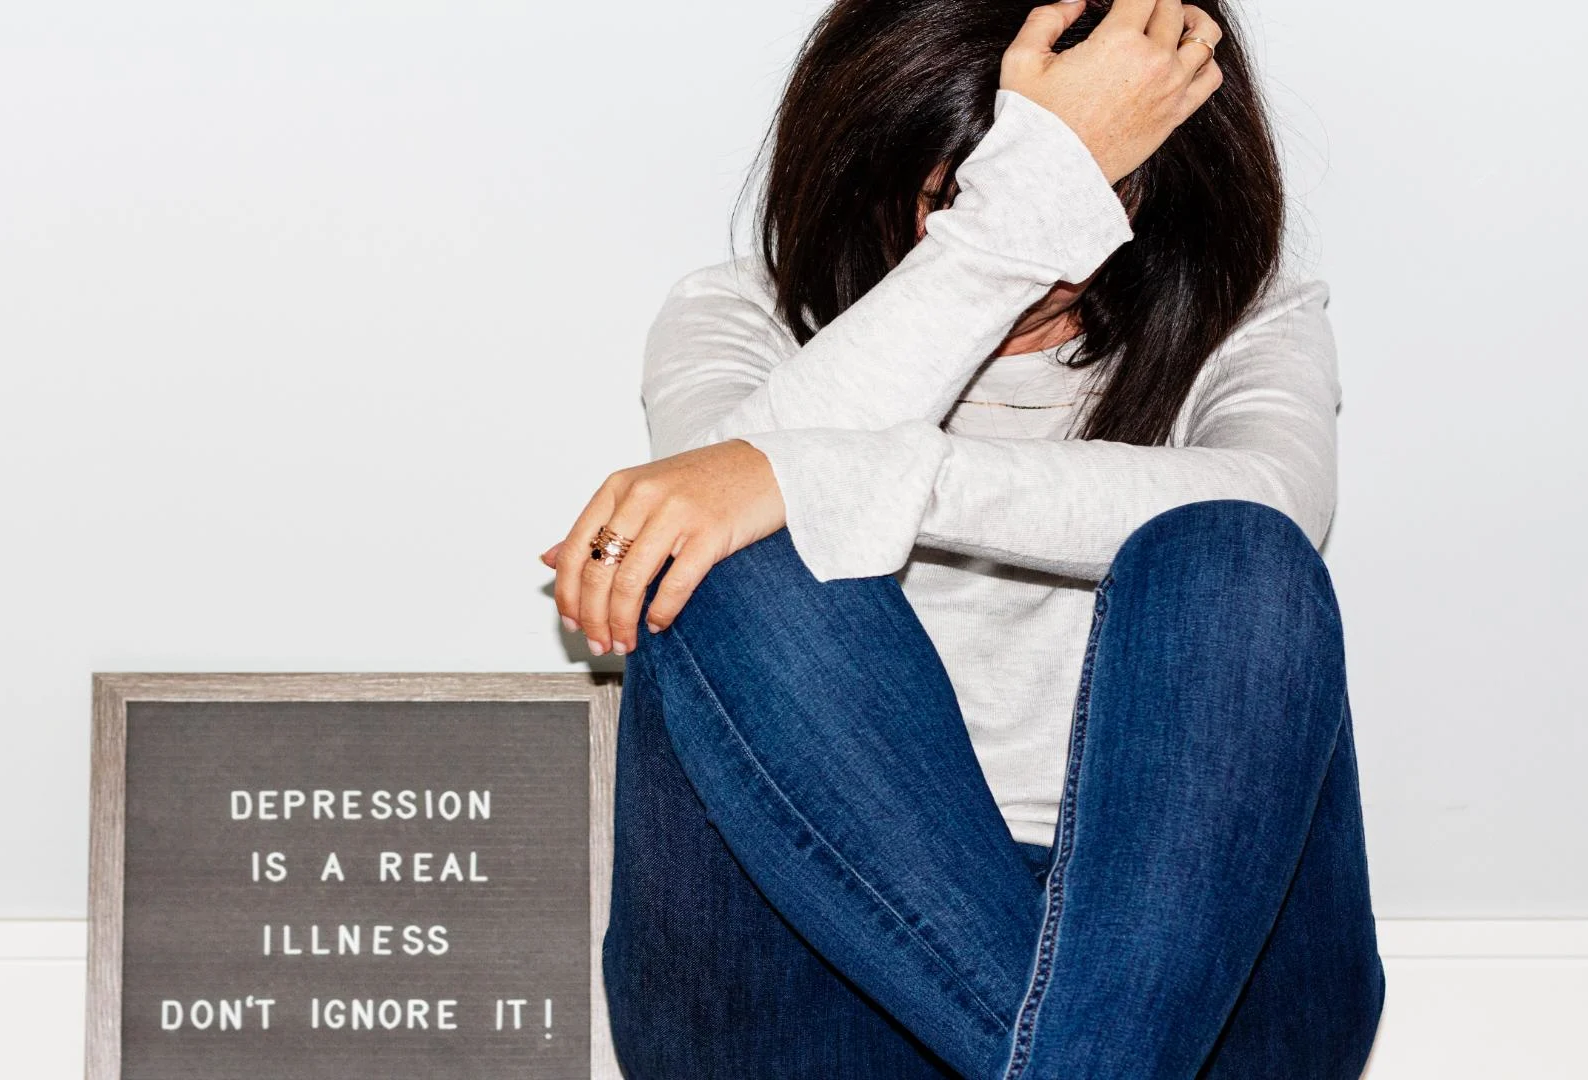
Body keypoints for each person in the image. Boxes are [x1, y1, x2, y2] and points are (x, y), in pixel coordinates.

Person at [539, 0, 1385, 1075]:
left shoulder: (1251, 322)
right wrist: (1021, 211)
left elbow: (1275, 511)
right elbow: (688, 523)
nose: (1051, 261)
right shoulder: (736, 316)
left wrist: (838, 474)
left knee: (1234, 558)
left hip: (1196, 962)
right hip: (811, 960)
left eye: (1098, 191)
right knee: (731, 559)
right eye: (963, 201)